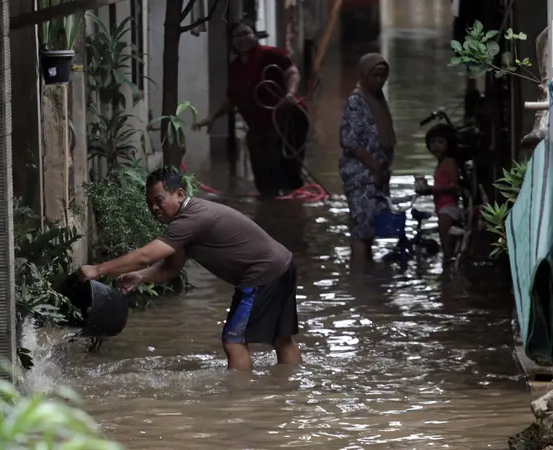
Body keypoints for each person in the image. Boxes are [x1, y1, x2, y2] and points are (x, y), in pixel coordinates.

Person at [75, 167, 303, 371]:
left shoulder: (190, 219)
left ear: (180, 194)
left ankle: (239, 405)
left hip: (262, 273)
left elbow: (145, 256)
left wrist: (98, 270)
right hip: (282, 264)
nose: (154, 207)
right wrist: (141, 277)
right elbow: (171, 268)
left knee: (233, 341)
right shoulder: (187, 222)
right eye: (150, 202)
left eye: (159, 200)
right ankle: (291, 391)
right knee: (280, 338)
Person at [192, 19, 309, 197]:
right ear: (231, 41)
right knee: (262, 174)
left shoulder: (271, 55)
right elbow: (231, 97)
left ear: (255, 35)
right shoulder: (236, 67)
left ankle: (292, 211)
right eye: (237, 35)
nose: (242, 38)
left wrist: (290, 94)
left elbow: (292, 72)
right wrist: (212, 118)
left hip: (287, 119)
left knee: (286, 170)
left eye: (246, 33)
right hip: (259, 126)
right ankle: (270, 211)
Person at [338, 53, 396, 265]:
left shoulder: (378, 100)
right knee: (362, 229)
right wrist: (374, 167)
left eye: (382, 76)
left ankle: (367, 277)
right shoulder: (356, 101)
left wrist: (381, 170)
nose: (378, 81)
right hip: (362, 174)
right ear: (364, 75)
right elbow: (349, 140)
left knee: (371, 227)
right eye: (374, 76)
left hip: (377, 174)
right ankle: (360, 281)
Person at [416, 124, 463, 261]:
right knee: (447, 247)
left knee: (447, 251)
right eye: (432, 142)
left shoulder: (449, 162)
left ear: (449, 144)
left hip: (448, 210)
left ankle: (448, 274)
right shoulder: (441, 163)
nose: (436, 146)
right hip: (442, 208)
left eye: (440, 142)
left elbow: (455, 187)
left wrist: (431, 189)